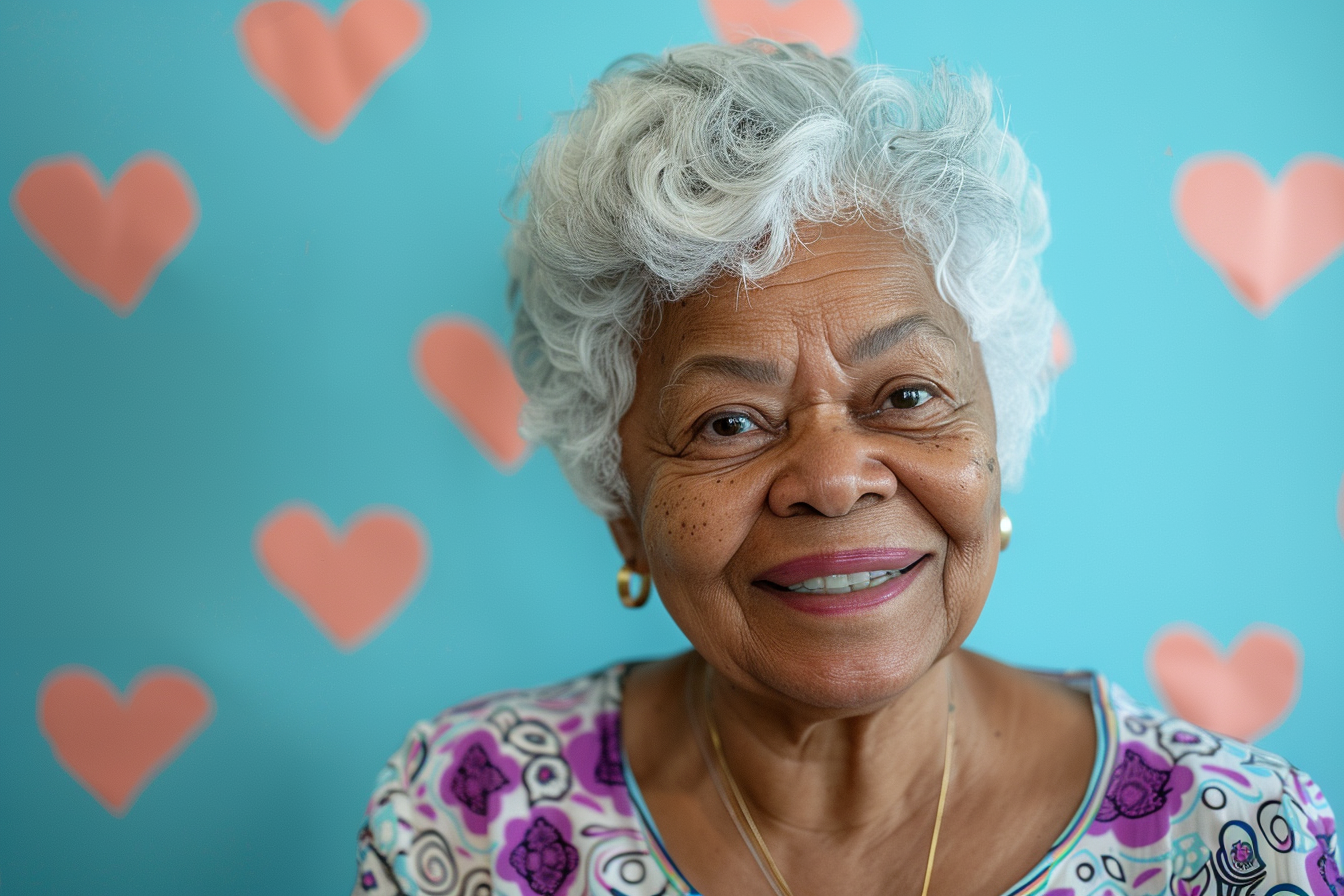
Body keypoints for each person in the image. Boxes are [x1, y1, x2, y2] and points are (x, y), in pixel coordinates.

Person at [351, 42, 1338, 896]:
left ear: (997, 443)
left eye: (907, 396)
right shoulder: (472, 818)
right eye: (729, 421)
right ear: (621, 504)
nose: (831, 478)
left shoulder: (1234, 838)